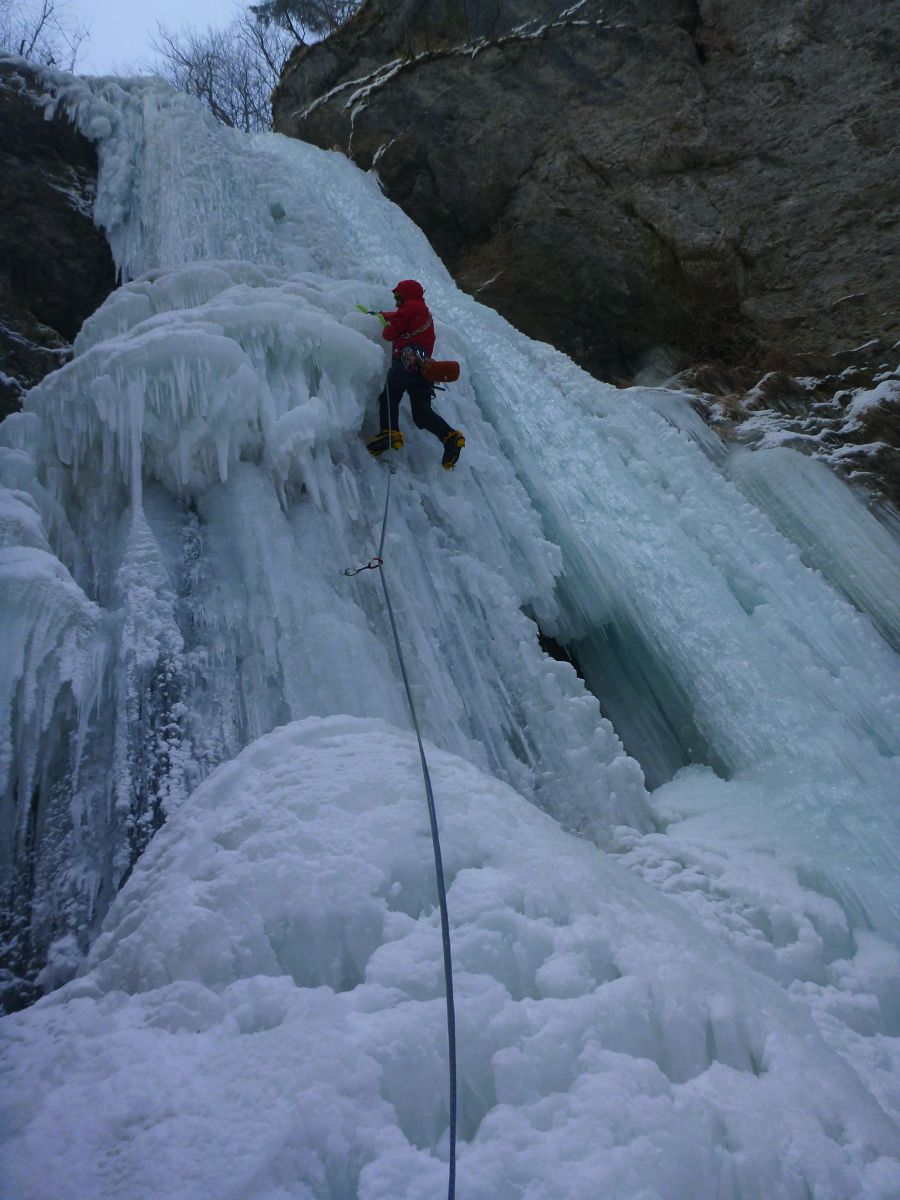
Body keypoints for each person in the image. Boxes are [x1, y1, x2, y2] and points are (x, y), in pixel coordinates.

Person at [365, 280, 465, 469]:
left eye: (397, 297)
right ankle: (450, 437)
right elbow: (398, 316)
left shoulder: (409, 308)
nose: (396, 301)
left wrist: (384, 323)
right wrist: (381, 315)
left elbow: (389, 334)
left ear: (405, 295)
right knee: (421, 413)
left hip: (408, 360)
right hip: (423, 367)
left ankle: (389, 433)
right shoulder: (421, 310)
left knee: (390, 394)